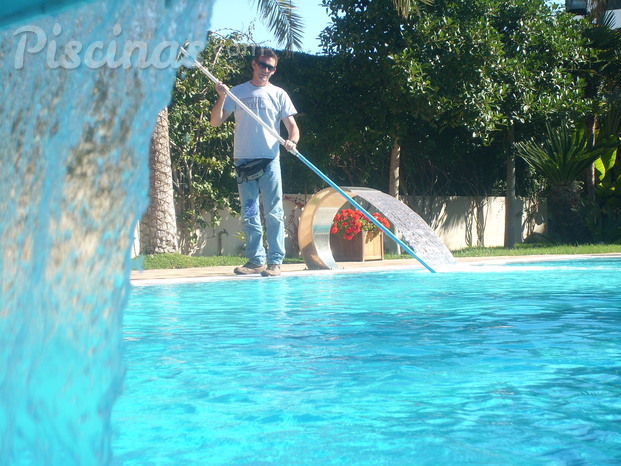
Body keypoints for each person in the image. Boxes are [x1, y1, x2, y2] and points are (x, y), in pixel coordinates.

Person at [210, 48, 300, 277]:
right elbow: (215, 122)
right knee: (250, 211)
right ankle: (256, 260)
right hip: (244, 162)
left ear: (274, 70)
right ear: (254, 64)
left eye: (270, 67)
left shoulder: (279, 94)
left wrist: (291, 142)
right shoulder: (236, 92)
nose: (265, 70)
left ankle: (275, 261)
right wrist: (222, 96)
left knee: (274, 212)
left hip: (269, 161)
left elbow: (292, 129)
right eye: (262, 65)